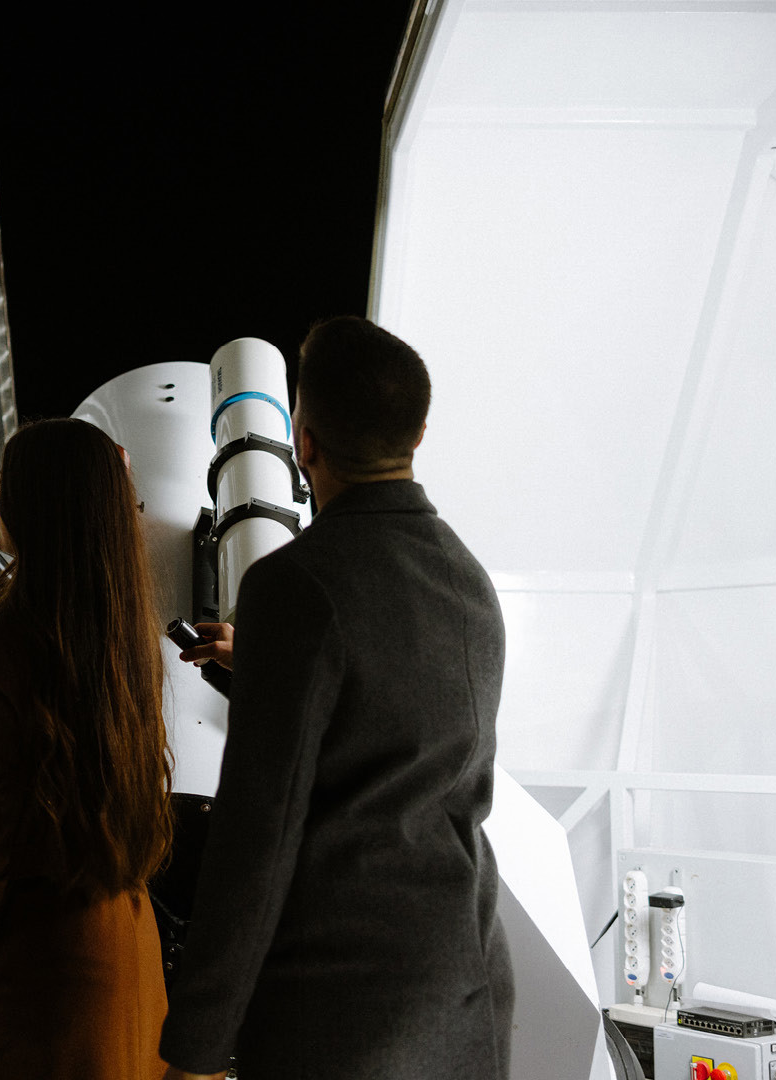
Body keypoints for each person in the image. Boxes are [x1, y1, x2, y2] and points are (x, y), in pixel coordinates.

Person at [160, 317, 513, 1080]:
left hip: (341, 1020)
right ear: (418, 433)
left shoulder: (293, 587)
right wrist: (265, 673)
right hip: (463, 996)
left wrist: (194, 1044)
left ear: (305, 445)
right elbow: (392, 722)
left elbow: (259, 836)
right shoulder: (470, 582)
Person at [0, 418, 175, 1080]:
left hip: (39, 979)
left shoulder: (2, 644)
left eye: (6, 484)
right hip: (129, 949)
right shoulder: (133, 639)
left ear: (30, 502)